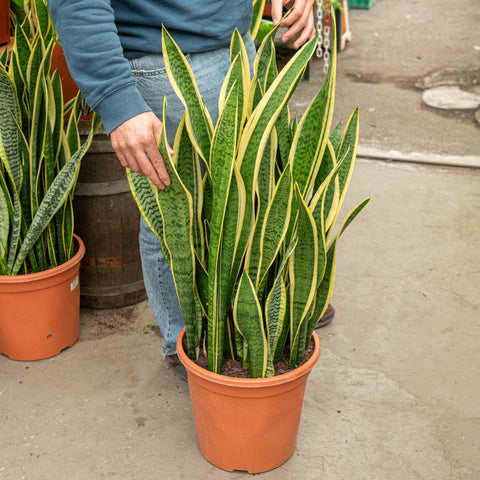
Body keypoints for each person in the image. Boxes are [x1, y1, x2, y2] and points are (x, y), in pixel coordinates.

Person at [48, 0, 317, 378]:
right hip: (168, 62)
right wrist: (117, 98)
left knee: (248, 204)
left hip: (237, 43)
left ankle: (264, 319)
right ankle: (189, 343)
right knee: (177, 216)